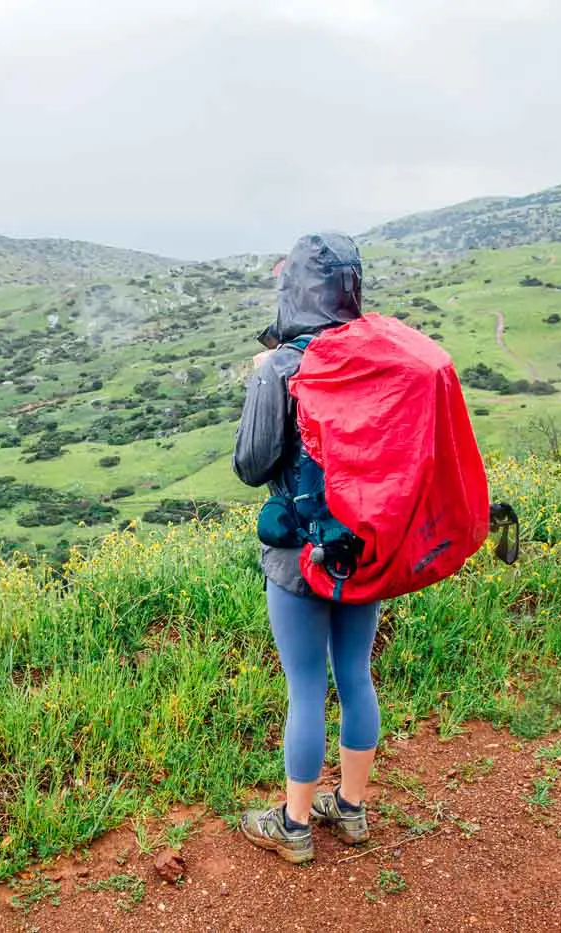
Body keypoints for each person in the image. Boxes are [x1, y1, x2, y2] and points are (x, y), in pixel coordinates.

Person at [232, 231, 380, 864]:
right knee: (355, 675)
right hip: (368, 547)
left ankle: (292, 824)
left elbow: (251, 463)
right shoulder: (374, 357)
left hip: (299, 556)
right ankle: (350, 809)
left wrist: (262, 383)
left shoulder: (283, 366)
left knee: (304, 687)